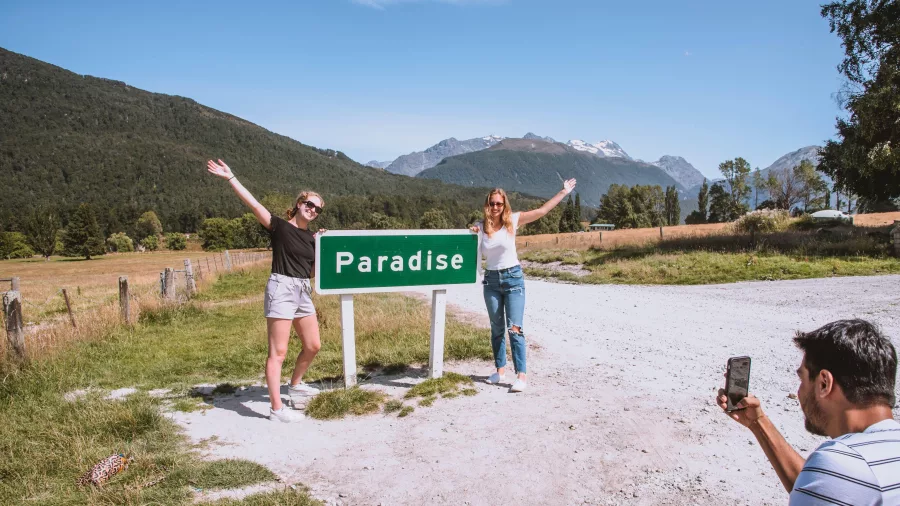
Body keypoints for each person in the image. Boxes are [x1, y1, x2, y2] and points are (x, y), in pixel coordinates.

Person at [717, 319, 899, 505]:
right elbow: (821, 490)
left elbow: (832, 483)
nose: (799, 391)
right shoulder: (866, 466)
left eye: (802, 379)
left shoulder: (841, 466)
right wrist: (757, 423)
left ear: (824, 383)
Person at [207, 159, 325, 423]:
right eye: (309, 205)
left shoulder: (311, 237)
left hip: (303, 289)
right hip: (281, 287)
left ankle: (295, 384)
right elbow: (254, 204)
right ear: (299, 204)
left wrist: (321, 245)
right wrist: (230, 177)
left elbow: (313, 271)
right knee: (278, 352)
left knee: (313, 345)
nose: (313, 210)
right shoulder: (280, 227)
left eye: (317, 209)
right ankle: (276, 409)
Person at [470, 179, 577, 393]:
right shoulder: (481, 227)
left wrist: (563, 192)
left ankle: (521, 375)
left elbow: (542, 210)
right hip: (491, 281)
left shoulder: (513, 220)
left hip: (513, 279)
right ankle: (499, 371)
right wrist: (471, 233)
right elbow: (469, 248)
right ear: (487, 204)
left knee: (515, 328)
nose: (495, 207)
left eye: (499, 203)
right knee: (496, 328)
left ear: (504, 204)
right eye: (492, 203)